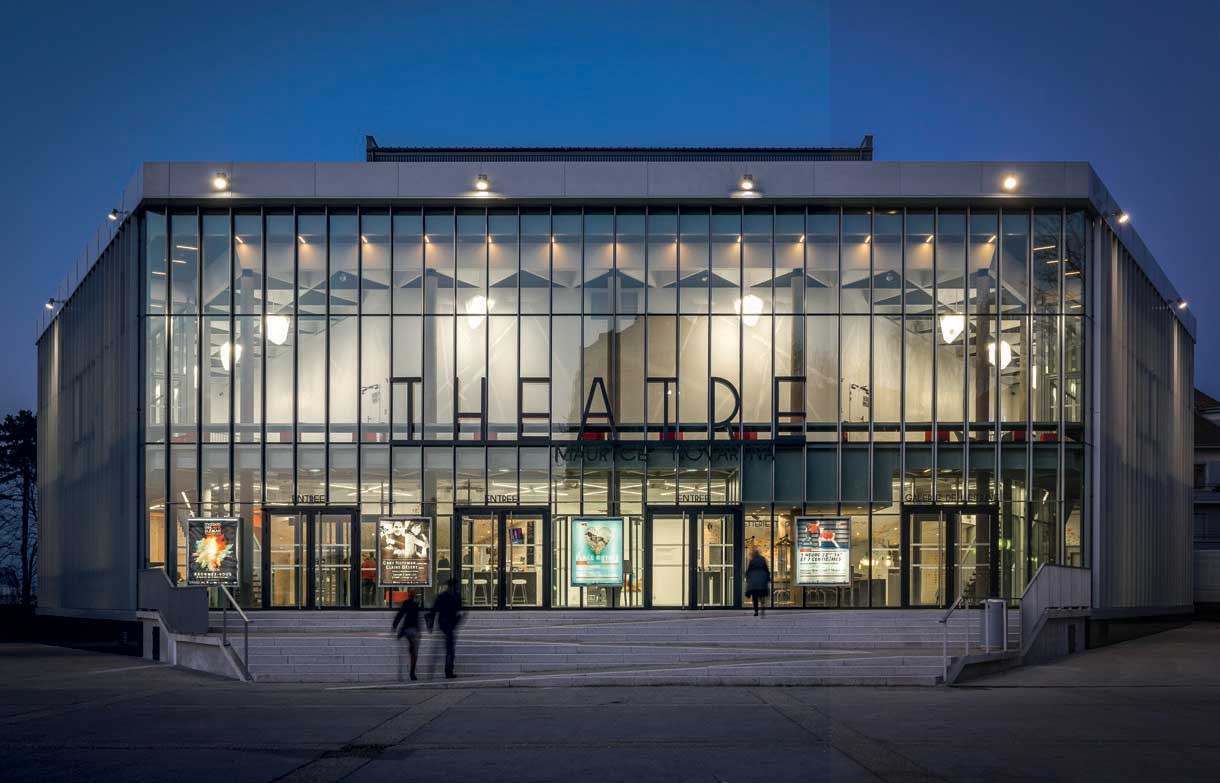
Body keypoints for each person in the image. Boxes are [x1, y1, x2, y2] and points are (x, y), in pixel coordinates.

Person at [427, 578, 463, 678]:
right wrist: (456, 622)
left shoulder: (441, 597)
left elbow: (433, 611)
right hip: (450, 625)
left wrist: (430, 625)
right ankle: (448, 671)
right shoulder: (455, 597)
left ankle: (445, 670)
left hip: (442, 623)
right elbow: (459, 612)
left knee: (448, 648)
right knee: (450, 649)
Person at [391, 590, 421, 681]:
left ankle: (410, 672)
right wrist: (419, 631)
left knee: (412, 650)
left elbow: (400, 614)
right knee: (414, 653)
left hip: (407, 628)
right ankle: (412, 672)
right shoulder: (415, 604)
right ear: (414, 596)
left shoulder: (406, 603)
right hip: (412, 629)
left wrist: (395, 625)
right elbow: (416, 619)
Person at [745, 548, 770, 617]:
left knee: (755, 598)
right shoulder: (762, 559)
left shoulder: (752, 561)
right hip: (762, 581)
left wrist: (748, 579)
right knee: (762, 595)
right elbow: (766, 569)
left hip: (753, 582)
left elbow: (748, 571)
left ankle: (756, 611)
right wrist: (768, 578)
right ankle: (762, 606)